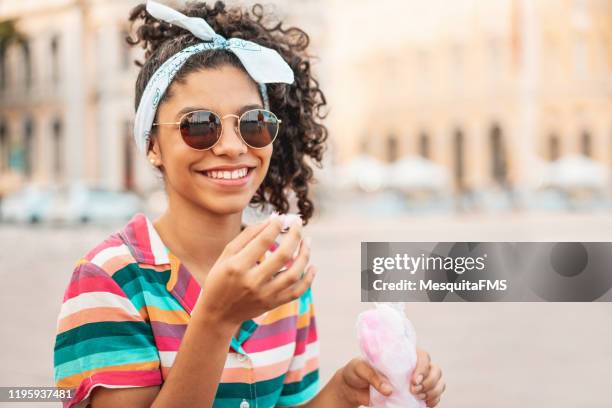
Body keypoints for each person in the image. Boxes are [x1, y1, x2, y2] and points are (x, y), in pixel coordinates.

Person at [52, 1, 446, 407]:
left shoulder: (279, 269)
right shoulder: (110, 278)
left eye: (253, 123)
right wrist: (217, 320)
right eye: (199, 125)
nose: (231, 146)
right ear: (152, 145)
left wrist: (344, 393)